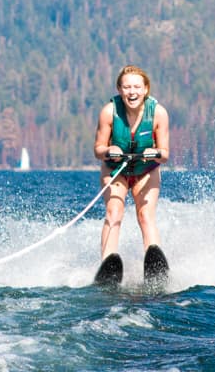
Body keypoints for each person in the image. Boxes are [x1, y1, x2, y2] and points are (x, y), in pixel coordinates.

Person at [93, 65, 170, 281]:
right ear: (119, 89)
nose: (132, 92)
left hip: (146, 169)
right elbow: (98, 150)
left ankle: (155, 266)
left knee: (145, 215)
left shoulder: (158, 113)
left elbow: (165, 154)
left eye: (137, 86)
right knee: (114, 212)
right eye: (126, 87)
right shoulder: (109, 112)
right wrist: (109, 150)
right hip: (115, 169)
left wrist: (154, 152)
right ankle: (108, 264)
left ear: (145, 89)